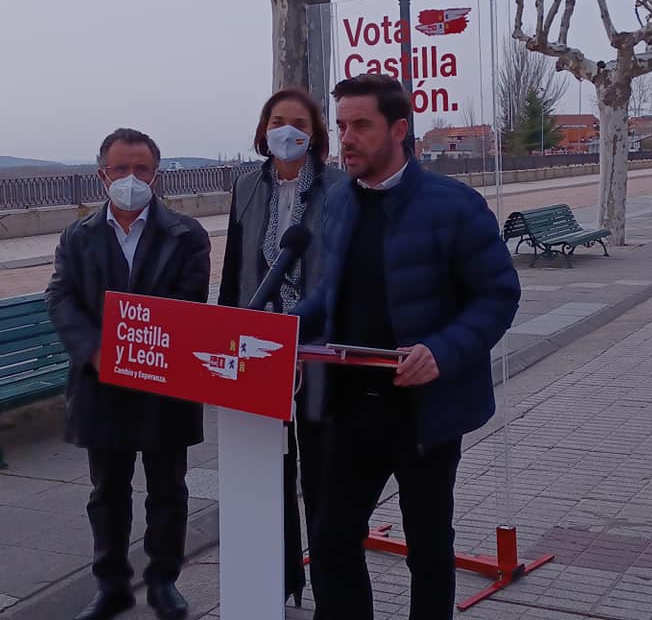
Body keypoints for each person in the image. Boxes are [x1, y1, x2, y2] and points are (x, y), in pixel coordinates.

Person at [295, 73, 521, 620]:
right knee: (330, 540)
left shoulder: (455, 205)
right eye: (341, 126)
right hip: (348, 408)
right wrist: (283, 328)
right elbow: (329, 293)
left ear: (399, 129)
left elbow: (498, 295)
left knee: (427, 545)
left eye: (361, 126)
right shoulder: (336, 204)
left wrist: (440, 352)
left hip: (425, 412)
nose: (345, 139)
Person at [45, 128, 211, 620]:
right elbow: (60, 297)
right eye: (121, 169)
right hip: (102, 384)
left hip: (166, 384)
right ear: (103, 176)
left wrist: (146, 349)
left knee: (168, 489)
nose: (131, 179)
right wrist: (95, 351)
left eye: (142, 169)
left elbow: (189, 302)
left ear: (156, 174)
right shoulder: (78, 236)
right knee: (107, 492)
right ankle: (111, 584)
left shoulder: (186, 234)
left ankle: (164, 580)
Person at [217, 87, 344, 606]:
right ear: (263, 129)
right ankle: (280, 577)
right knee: (266, 468)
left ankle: (329, 581)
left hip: (316, 346)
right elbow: (233, 270)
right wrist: (225, 335)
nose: (286, 131)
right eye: (277, 120)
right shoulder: (246, 186)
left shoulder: (340, 188)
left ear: (313, 134)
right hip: (255, 345)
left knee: (321, 467)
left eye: (298, 122)